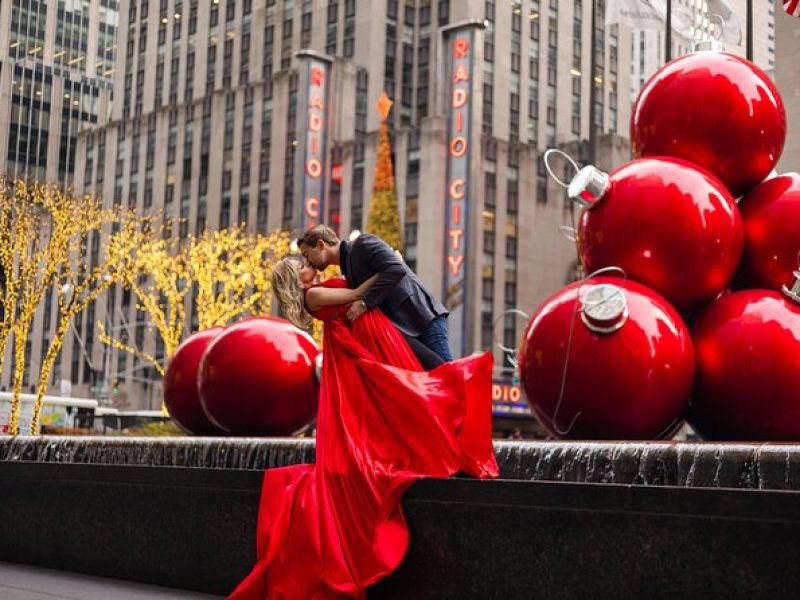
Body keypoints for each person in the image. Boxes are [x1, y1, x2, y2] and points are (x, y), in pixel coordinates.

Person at [229, 256, 498, 599]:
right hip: (372, 338)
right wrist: (387, 272)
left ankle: (448, 445)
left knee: (418, 392)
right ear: (296, 279)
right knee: (420, 394)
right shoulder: (313, 295)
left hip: (375, 336)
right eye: (301, 266)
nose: (307, 265)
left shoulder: (320, 288)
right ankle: (443, 447)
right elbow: (356, 293)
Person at [298, 225, 451, 370]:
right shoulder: (348, 268)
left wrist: (365, 303)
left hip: (421, 317)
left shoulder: (362, 243)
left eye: (306, 255)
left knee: (450, 376)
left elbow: (395, 269)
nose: (307, 261)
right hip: (405, 328)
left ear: (320, 245)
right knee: (437, 381)